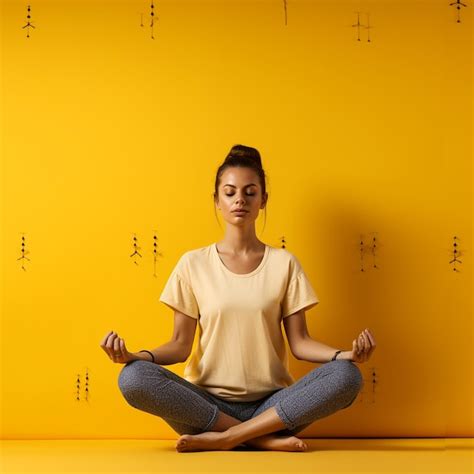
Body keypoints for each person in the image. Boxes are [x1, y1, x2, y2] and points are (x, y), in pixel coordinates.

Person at [100, 144, 377, 453]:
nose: (239, 200)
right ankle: (260, 439)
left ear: (263, 200)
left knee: (347, 377)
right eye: (230, 192)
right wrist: (135, 357)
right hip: (205, 410)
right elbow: (179, 345)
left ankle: (229, 439)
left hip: (274, 408)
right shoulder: (193, 264)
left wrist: (344, 356)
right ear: (217, 200)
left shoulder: (284, 264)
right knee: (133, 378)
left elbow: (300, 343)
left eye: (250, 192)